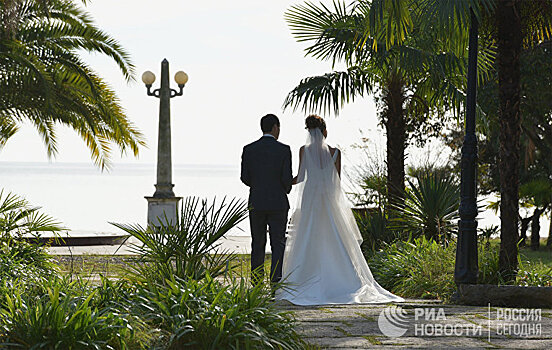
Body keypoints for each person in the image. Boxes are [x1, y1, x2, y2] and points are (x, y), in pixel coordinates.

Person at [276, 115, 403, 305]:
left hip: (311, 200)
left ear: (308, 132)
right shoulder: (335, 152)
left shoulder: (304, 150)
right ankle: (343, 279)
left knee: (309, 237)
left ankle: (306, 277)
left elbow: (301, 178)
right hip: (329, 200)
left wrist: (284, 182)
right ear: (324, 131)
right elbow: (337, 182)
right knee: (334, 237)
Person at [240, 114, 293, 286]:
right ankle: (275, 283)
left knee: (258, 242)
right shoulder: (284, 150)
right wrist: (284, 189)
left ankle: (256, 283)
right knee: (278, 243)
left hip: (256, 201)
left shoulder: (249, 149)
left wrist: (258, 185)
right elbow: (286, 178)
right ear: (275, 127)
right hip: (278, 202)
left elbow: (244, 177)